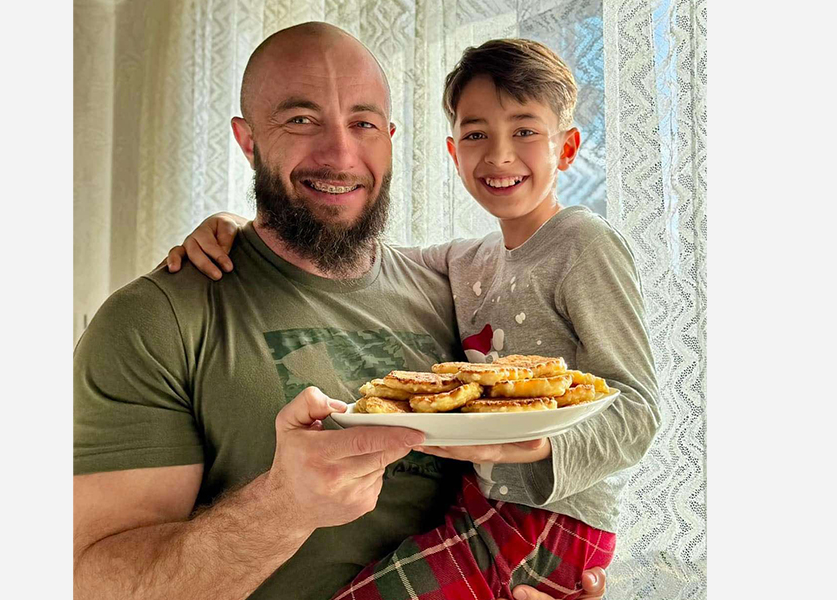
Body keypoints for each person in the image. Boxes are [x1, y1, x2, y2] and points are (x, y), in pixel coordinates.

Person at [73, 22, 607, 600]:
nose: (340, 154)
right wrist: (282, 507)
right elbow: (91, 583)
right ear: (248, 141)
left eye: (363, 124)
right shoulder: (155, 320)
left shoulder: (453, 292)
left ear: (390, 138)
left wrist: (542, 578)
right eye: (302, 120)